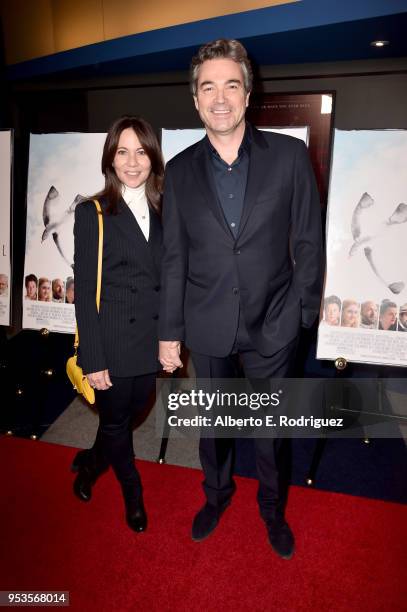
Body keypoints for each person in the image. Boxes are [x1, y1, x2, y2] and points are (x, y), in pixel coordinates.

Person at [159, 39, 323, 559]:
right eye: (209, 87)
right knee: (213, 425)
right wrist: (169, 332)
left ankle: (272, 509)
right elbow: (174, 257)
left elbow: (307, 240)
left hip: (274, 322)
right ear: (196, 99)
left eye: (232, 84)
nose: (221, 97)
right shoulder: (179, 171)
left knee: (270, 431)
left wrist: (303, 312)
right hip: (205, 321)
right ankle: (217, 495)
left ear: (248, 93)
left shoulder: (290, 156)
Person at [73, 115, 164, 532]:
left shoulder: (166, 209)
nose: (132, 162)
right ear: (110, 158)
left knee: (128, 417)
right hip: (109, 343)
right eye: (122, 151)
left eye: (140, 152)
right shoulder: (92, 212)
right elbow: (85, 294)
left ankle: (91, 463)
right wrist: (92, 357)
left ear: (152, 157)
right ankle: (133, 494)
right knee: (116, 423)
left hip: (149, 341)